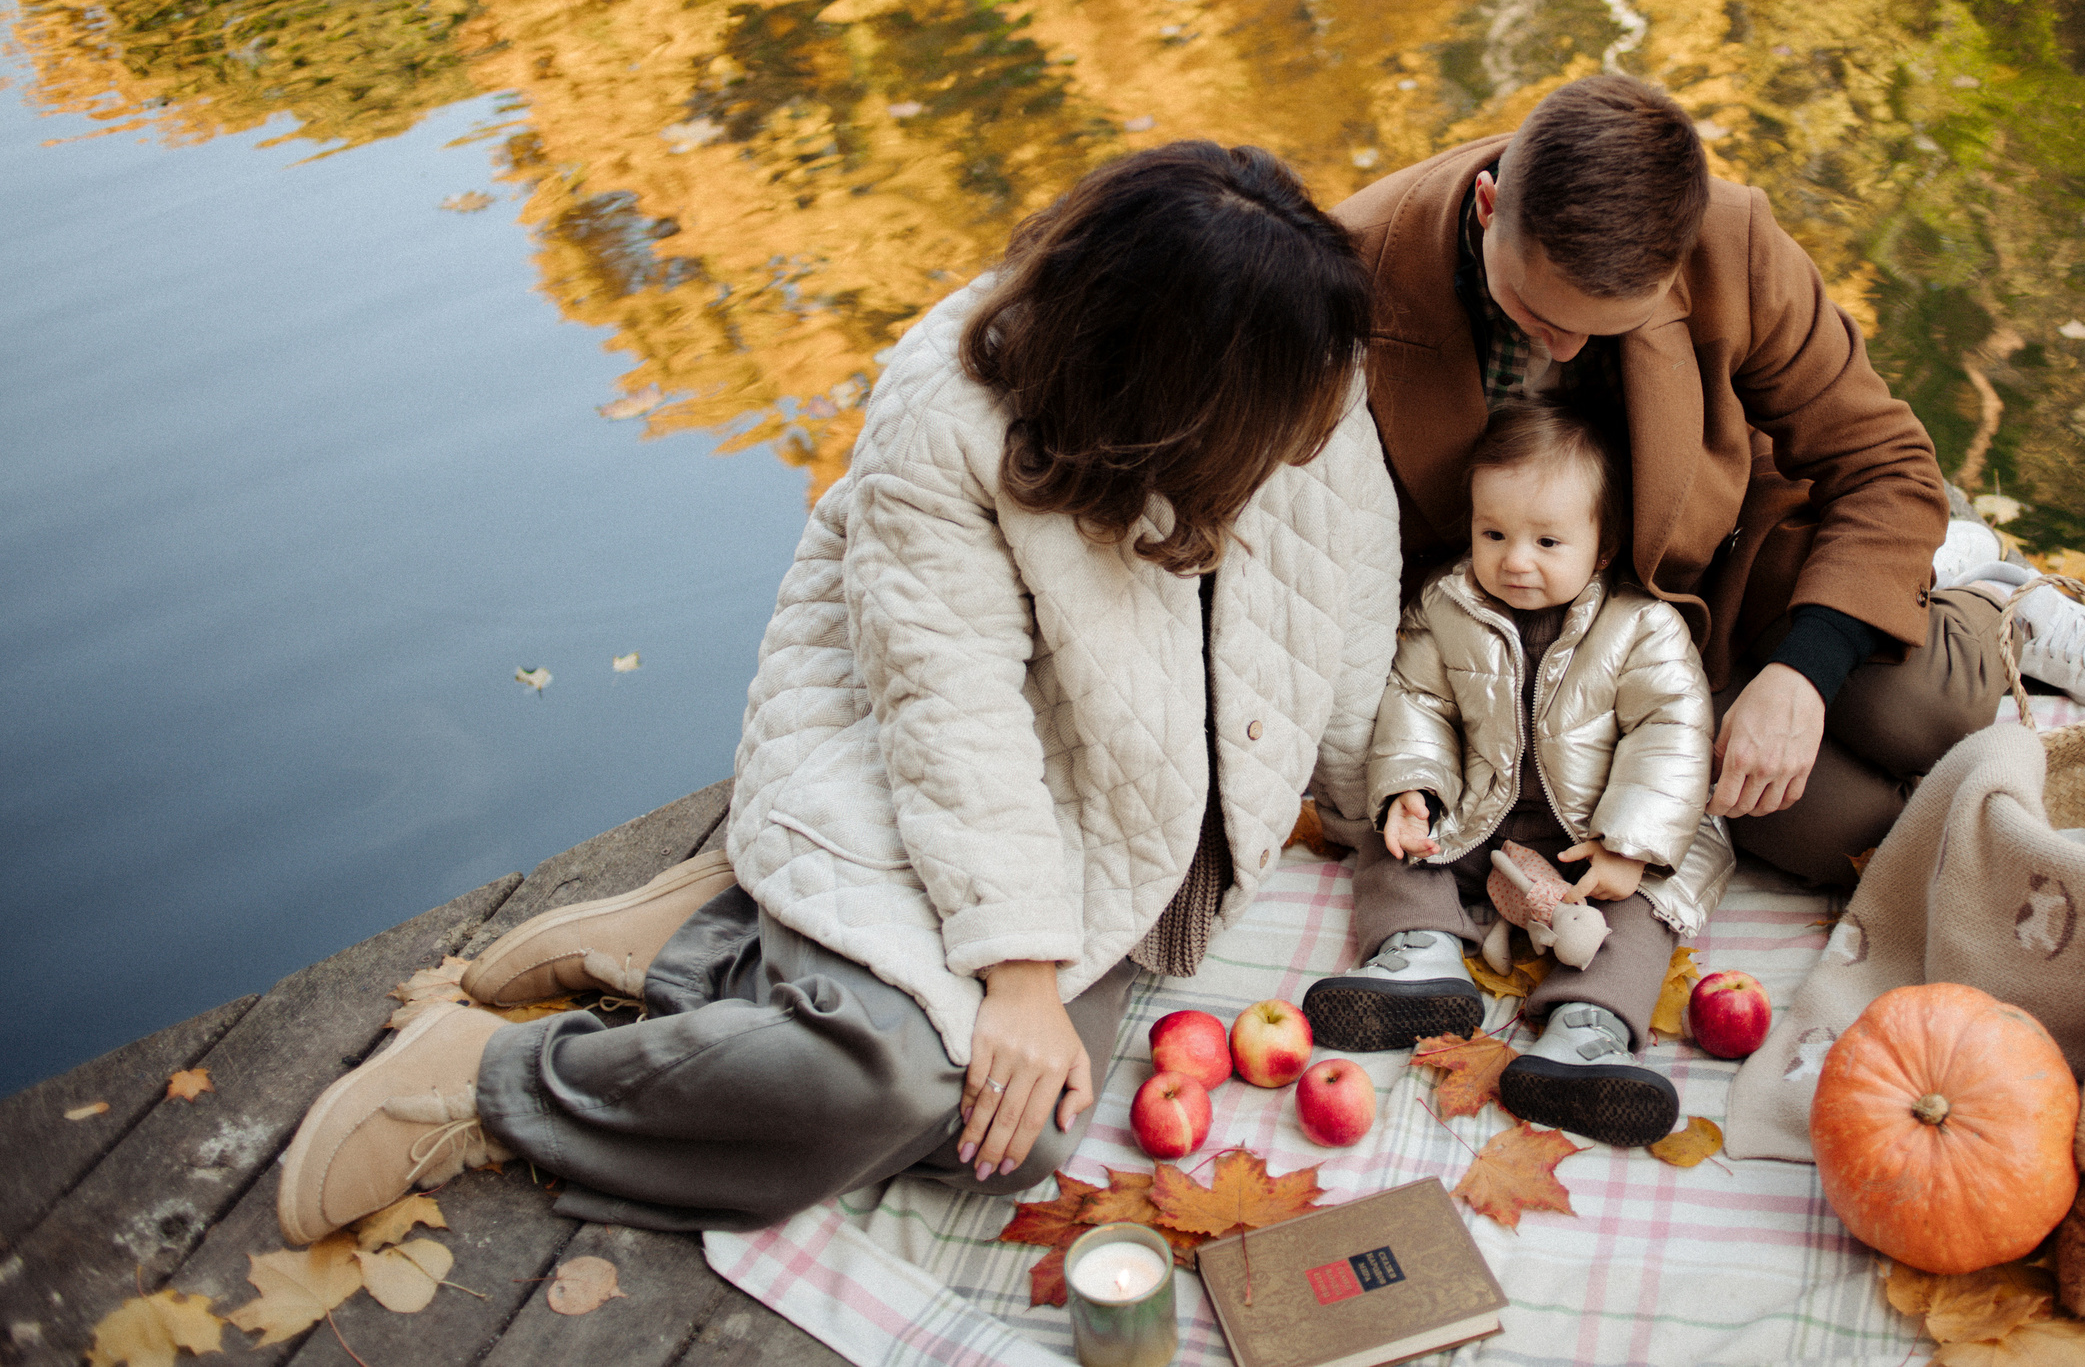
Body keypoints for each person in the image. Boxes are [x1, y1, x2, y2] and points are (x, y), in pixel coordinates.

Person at [274, 142, 1401, 1241]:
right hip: (915, 755)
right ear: (1173, 396)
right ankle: (487, 1083)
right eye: (1281, 417)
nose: (1315, 433)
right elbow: (948, 714)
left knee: (1019, 1139)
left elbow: (1339, 600)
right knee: (897, 1085)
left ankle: (704, 948)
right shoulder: (951, 422)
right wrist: (1015, 976)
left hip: (1105, 819)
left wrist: (1386, 805)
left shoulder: (1308, 371)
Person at [1327, 73, 2085, 899]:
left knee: (1921, 709)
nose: (1564, 352)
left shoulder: (1730, 237)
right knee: (1826, 831)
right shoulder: (1347, 265)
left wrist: (1802, 675)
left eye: (1605, 327)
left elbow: (1883, 461)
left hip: (1720, 572)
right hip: (1518, 613)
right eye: (1536, 312)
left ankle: (1995, 591)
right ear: (1486, 208)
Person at [1305, 396, 1727, 1146]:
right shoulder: (1445, 606)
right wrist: (1413, 788)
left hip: (1589, 847)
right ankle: (1420, 956)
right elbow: (1417, 699)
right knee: (1394, 843)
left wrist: (1629, 842)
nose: (1514, 558)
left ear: (1601, 547)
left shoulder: (1640, 627)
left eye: (1547, 539)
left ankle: (1586, 1031)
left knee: (1644, 911)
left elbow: (1673, 730)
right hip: (1479, 822)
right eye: (1492, 532)